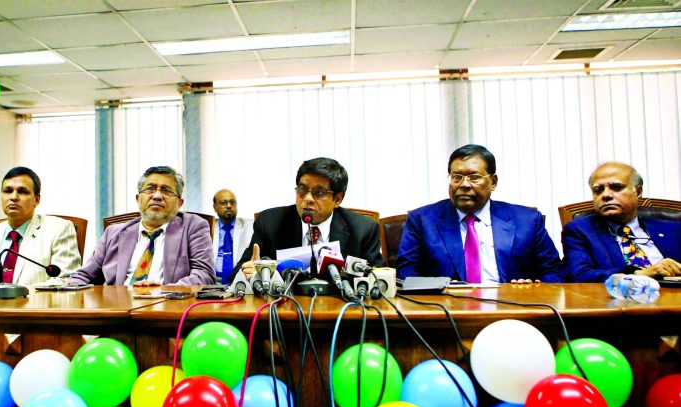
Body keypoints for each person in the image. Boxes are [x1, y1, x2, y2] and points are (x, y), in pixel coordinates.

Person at [397, 144, 565, 283]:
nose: (464, 184)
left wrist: (535, 288)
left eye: (474, 177)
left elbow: (554, 271)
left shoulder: (527, 220)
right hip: (448, 312)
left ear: (493, 182)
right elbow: (407, 275)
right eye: (457, 177)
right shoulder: (422, 220)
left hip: (512, 309)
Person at [235, 157, 383, 279]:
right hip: (283, 309)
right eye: (302, 190)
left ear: (337, 199)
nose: (307, 198)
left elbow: (379, 276)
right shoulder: (270, 223)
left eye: (319, 192)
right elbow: (237, 273)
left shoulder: (363, 229)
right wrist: (251, 273)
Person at [69, 166, 214, 286]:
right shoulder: (113, 233)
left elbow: (204, 274)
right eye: (150, 189)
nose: (157, 196)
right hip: (117, 311)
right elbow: (83, 275)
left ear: (179, 204)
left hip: (168, 308)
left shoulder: (194, 227)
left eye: (166, 190)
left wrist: (167, 290)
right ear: (138, 199)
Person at [0, 167, 81, 287]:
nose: (13, 197)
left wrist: (17, 294)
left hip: (31, 308)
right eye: (7, 191)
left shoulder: (59, 229)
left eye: (22, 192)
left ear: (37, 200)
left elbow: (66, 280)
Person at [562, 162, 681, 282]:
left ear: (638, 192)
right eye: (598, 190)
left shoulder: (673, 229)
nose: (606, 195)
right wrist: (639, 274)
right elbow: (579, 275)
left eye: (617, 187)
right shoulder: (580, 230)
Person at [212, 189, 254, 284]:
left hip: (242, 280)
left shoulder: (251, 226)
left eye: (232, 202)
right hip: (212, 282)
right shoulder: (207, 228)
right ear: (214, 207)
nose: (229, 206)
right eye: (223, 203)